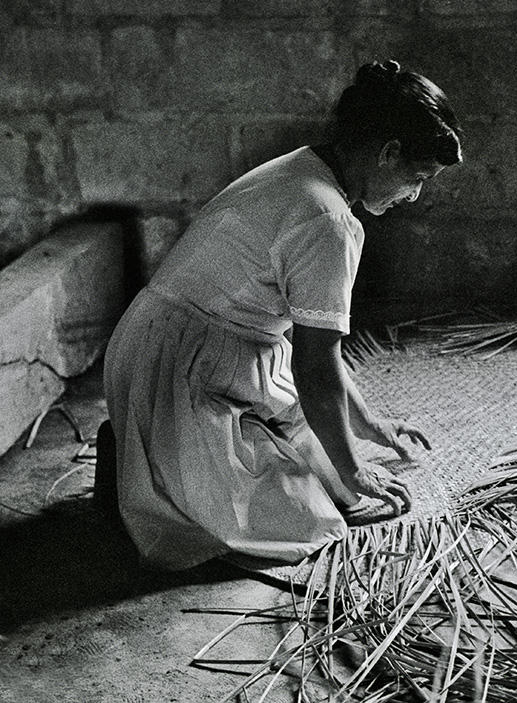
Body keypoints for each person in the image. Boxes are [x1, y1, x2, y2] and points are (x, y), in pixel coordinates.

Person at [99, 60, 463, 571]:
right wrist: (355, 474)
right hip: (177, 369)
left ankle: (151, 454)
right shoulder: (328, 221)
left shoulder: (305, 166)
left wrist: (367, 423)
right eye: (417, 178)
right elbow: (314, 367)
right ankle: (149, 462)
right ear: (388, 153)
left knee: (323, 461)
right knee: (306, 515)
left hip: (171, 342)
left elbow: (319, 355)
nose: (414, 195)